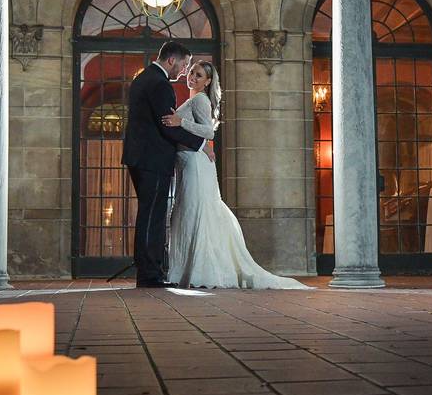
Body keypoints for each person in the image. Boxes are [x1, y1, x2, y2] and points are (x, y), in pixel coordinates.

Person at [161, 61, 311, 289]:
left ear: (208, 81)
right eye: (191, 72)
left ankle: (201, 271)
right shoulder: (193, 99)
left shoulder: (200, 100)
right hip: (187, 162)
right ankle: (187, 269)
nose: (192, 77)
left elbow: (209, 130)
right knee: (189, 211)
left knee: (194, 211)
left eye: (198, 75)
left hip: (195, 164)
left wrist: (181, 121)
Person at [122, 42, 214, 288]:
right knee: (152, 216)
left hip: (140, 157)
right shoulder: (160, 84)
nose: (184, 71)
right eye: (184, 65)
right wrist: (200, 143)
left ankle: (148, 269)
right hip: (152, 159)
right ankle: (150, 274)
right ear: (172, 60)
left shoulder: (143, 78)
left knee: (148, 214)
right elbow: (167, 124)